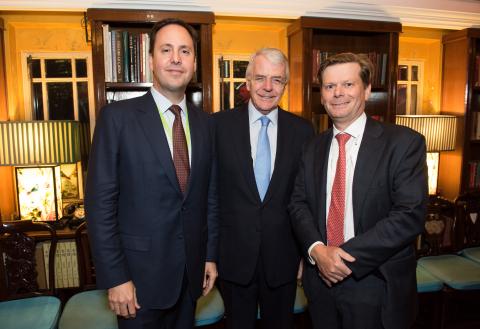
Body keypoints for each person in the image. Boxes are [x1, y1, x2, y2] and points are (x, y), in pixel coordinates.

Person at [85, 18, 218, 329]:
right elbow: (100, 206)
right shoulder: (117, 119)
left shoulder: (205, 124)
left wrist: (209, 255)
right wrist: (116, 278)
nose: (175, 59)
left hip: (190, 280)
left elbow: (209, 197)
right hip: (137, 285)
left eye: (185, 51)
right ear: (150, 61)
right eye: (166, 50)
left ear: (194, 63)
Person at [289, 52, 428, 329]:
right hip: (321, 283)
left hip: (375, 282)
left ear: (366, 90)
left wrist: (340, 257)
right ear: (322, 95)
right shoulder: (312, 147)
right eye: (329, 86)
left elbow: (409, 215)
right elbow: (298, 203)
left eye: (348, 84)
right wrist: (317, 251)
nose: (338, 93)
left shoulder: (403, 143)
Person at [214, 48, 314, 329]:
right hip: (233, 259)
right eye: (260, 78)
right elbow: (210, 197)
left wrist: (306, 252)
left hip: (283, 260)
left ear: (285, 85)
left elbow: (307, 198)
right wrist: (210, 256)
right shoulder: (217, 126)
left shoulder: (304, 131)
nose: (268, 87)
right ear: (247, 82)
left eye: (277, 80)